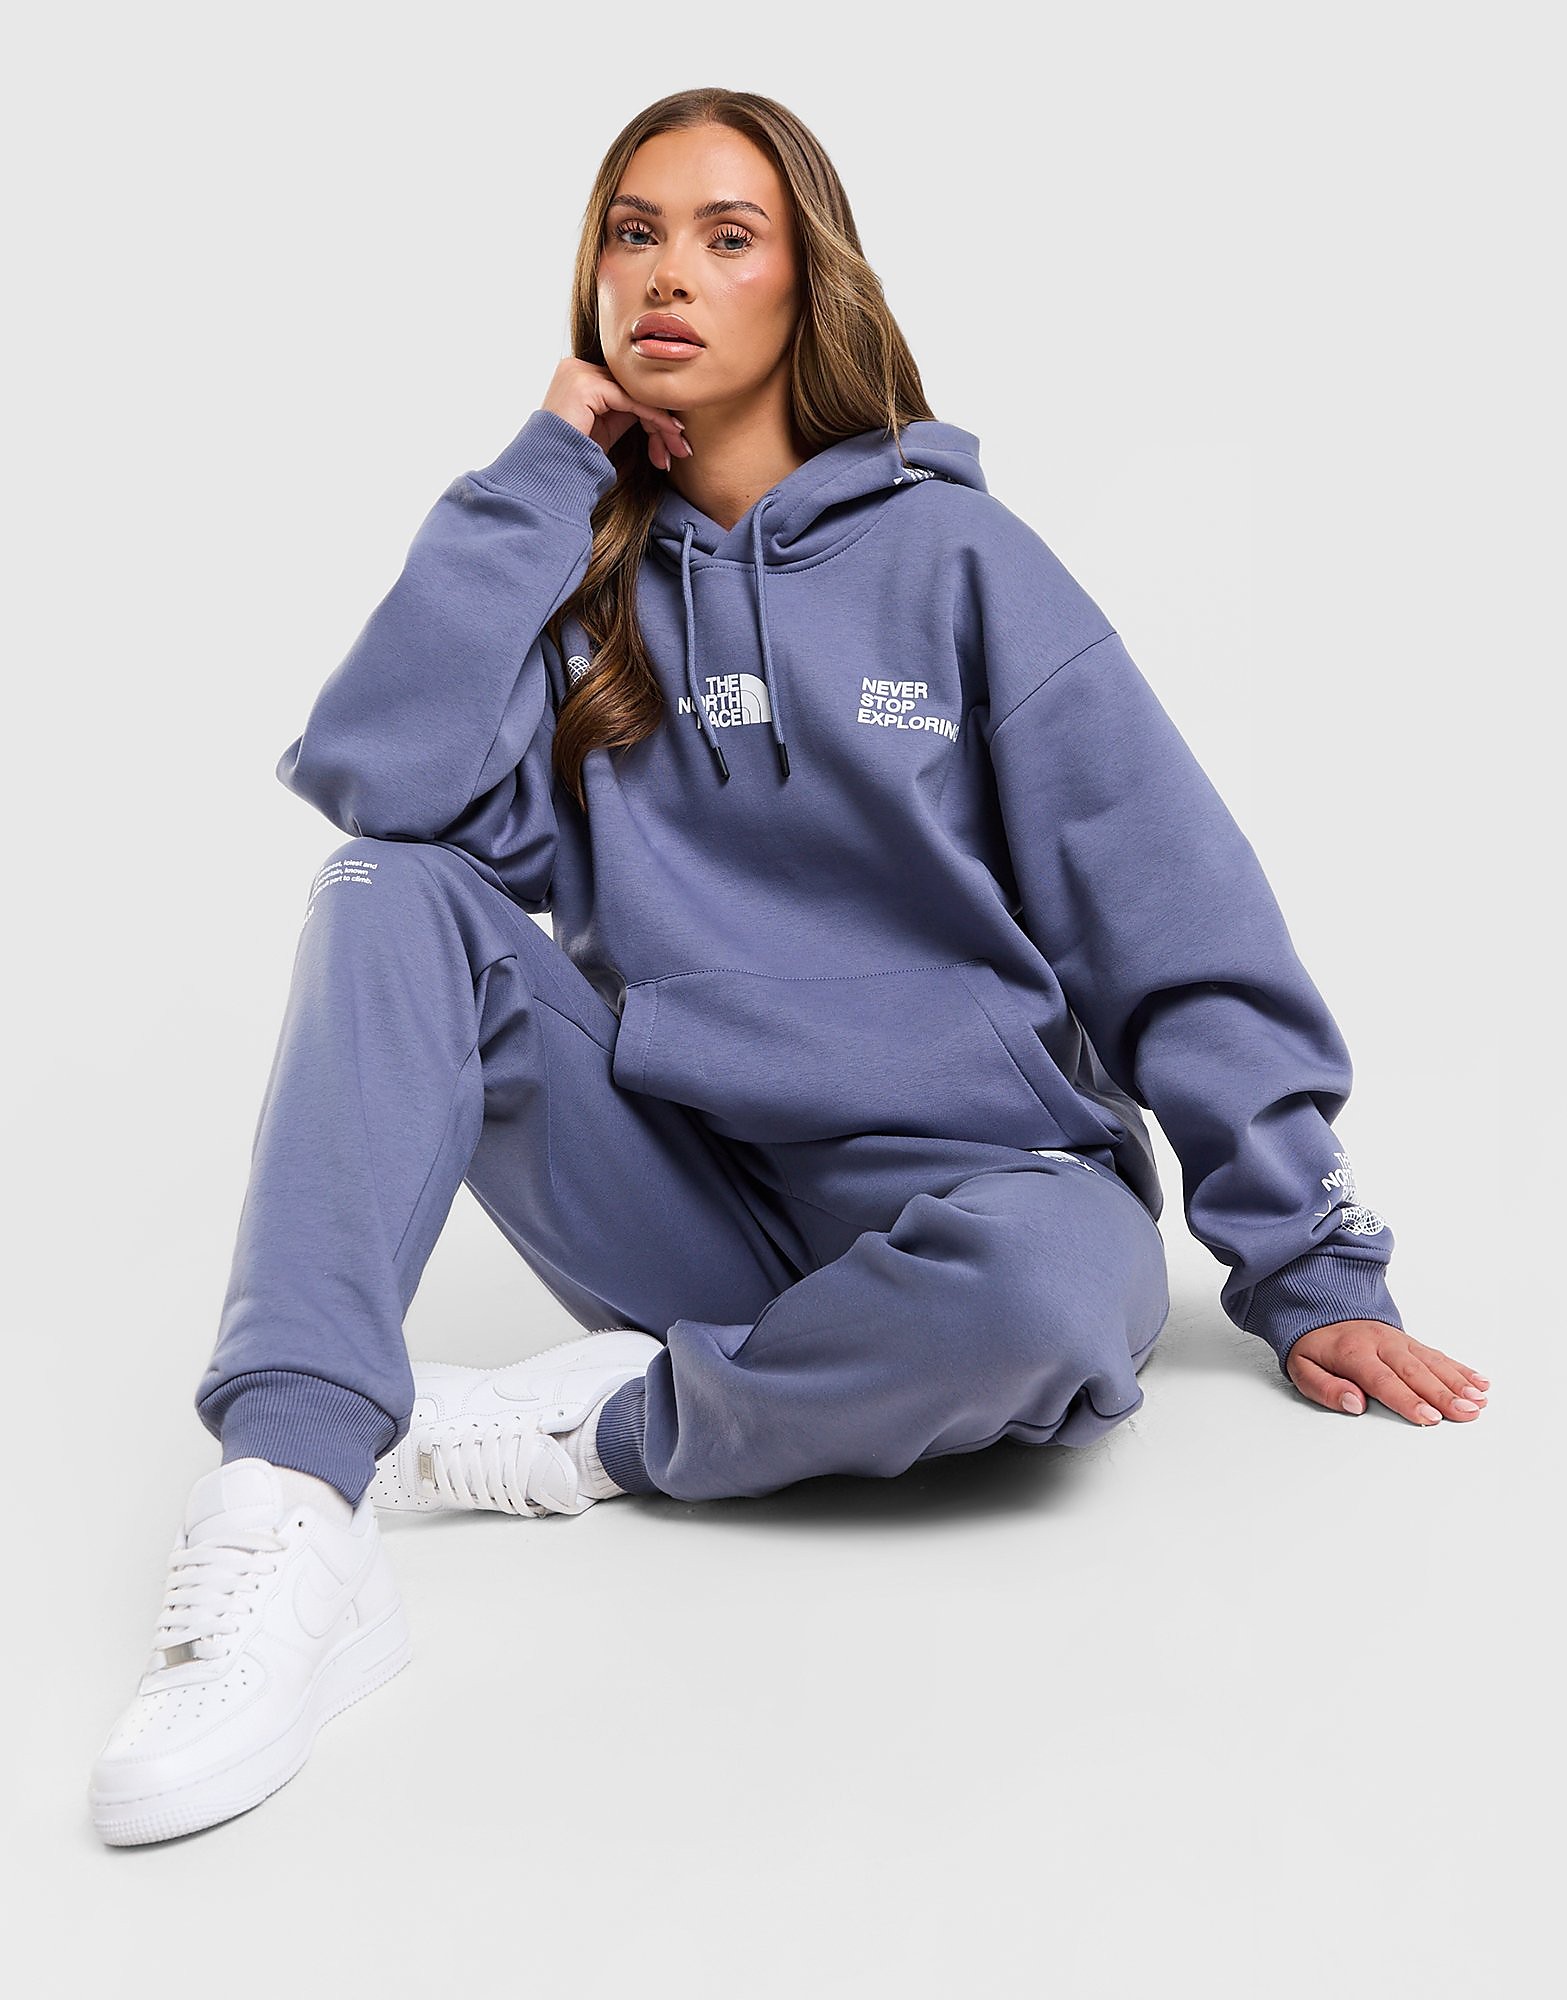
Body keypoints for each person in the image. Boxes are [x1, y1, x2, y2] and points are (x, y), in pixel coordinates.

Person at [87, 87, 1489, 1847]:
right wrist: (542, 475)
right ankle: (290, 1502)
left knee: (1058, 1296)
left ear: (805, 282)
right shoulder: (576, 587)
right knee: (387, 889)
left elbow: (1174, 922)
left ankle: (619, 1428)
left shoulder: (961, 560)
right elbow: (381, 783)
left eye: (724, 234)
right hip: (687, 1201)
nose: (665, 272)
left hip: (981, 1196)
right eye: (632, 232)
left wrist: (1307, 1263)